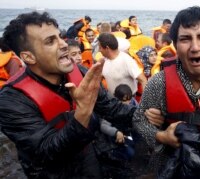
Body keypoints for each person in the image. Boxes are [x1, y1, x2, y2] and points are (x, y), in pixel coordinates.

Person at [0, 11, 163, 178]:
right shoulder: (11, 100)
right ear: (29, 57)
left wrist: (148, 116)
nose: (63, 44)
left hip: (91, 155)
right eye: (50, 41)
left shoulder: (81, 73)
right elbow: (46, 151)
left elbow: (112, 108)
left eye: (59, 37)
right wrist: (83, 113)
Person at [133, 6, 200, 178]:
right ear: (175, 45)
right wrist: (161, 136)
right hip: (173, 165)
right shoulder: (159, 83)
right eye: (185, 39)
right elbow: (138, 121)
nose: (195, 47)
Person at [98, 32, 147, 97]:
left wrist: (145, 104)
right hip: (112, 101)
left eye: (100, 47)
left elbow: (143, 80)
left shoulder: (126, 60)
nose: (99, 50)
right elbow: (99, 79)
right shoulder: (103, 61)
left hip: (128, 102)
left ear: (107, 48)